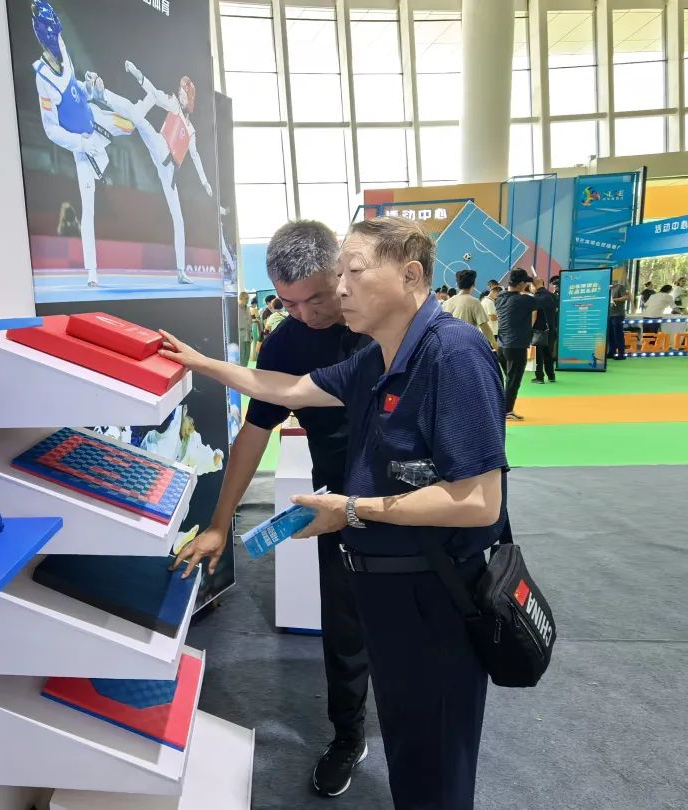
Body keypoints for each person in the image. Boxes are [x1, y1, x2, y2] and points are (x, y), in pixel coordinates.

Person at [162, 215, 506, 810]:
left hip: (431, 573)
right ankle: (351, 737)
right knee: (403, 724)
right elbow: (284, 391)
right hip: (372, 554)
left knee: (434, 746)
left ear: (410, 275)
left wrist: (351, 508)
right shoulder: (374, 360)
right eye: (337, 276)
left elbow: (478, 501)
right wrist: (201, 363)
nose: (339, 292)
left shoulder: (452, 352)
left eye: (351, 274)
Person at [172, 219, 373, 799]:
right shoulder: (286, 342)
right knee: (344, 626)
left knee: (421, 618)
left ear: (342, 270)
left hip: (409, 496)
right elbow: (254, 432)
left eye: (317, 297)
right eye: (289, 303)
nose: (307, 313)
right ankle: (348, 735)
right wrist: (219, 524)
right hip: (336, 502)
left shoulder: (380, 321)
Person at [31, 0, 141, 287]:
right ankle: (92, 272)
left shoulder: (63, 48)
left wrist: (92, 88)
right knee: (88, 208)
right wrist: (81, 144)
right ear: (44, 34)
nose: (58, 38)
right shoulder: (43, 77)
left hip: (96, 117)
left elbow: (75, 89)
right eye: (53, 33)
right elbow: (51, 129)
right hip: (83, 148)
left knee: (132, 124)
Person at [90, 63, 216, 285]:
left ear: (190, 98)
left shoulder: (192, 131)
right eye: (180, 92)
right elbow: (154, 92)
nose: (180, 95)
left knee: (179, 219)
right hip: (160, 146)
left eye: (184, 93)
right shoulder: (174, 105)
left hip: (168, 172)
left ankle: (181, 271)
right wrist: (137, 73)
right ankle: (104, 94)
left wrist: (205, 182)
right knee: (139, 118)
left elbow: (195, 157)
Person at [495, 268, 536, 420]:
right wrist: (539, 288)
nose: (526, 286)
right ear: (521, 284)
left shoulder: (500, 297)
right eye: (525, 283)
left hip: (502, 345)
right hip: (516, 346)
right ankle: (507, 411)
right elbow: (547, 301)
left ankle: (502, 408)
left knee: (509, 379)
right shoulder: (522, 300)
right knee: (513, 380)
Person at [443, 269, 496, 349]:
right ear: (473, 284)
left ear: (457, 284)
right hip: (466, 345)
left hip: (448, 345)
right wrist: (494, 343)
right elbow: (484, 326)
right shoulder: (474, 302)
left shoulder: (446, 303)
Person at [531, 277, 558, 384]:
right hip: (551, 329)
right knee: (548, 354)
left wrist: (530, 328)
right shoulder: (552, 296)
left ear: (533, 285)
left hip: (539, 330)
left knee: (539, 355)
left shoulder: (536, 297)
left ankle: (539, 377)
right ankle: (551, 376)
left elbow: (534, 313)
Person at [608, 276, 631, 359]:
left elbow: (626, 297)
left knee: (618, 334)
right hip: (609, 314)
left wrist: (614, 300)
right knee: (610, 334)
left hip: (618, 314)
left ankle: (621, 353)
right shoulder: (608, 288)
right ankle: (612, 352)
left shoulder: (620, 287)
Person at [237, 292, 253, 367]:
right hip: (240, 334)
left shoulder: (248, 308)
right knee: (241, 353)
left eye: (248, 299)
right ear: (240, 298)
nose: (247, 300)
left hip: (248, 333)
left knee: (247, 353)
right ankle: (241, 369)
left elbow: (250, 321)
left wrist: (251, 333)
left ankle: (245, 368)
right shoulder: (236, 308)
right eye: (246, 298)